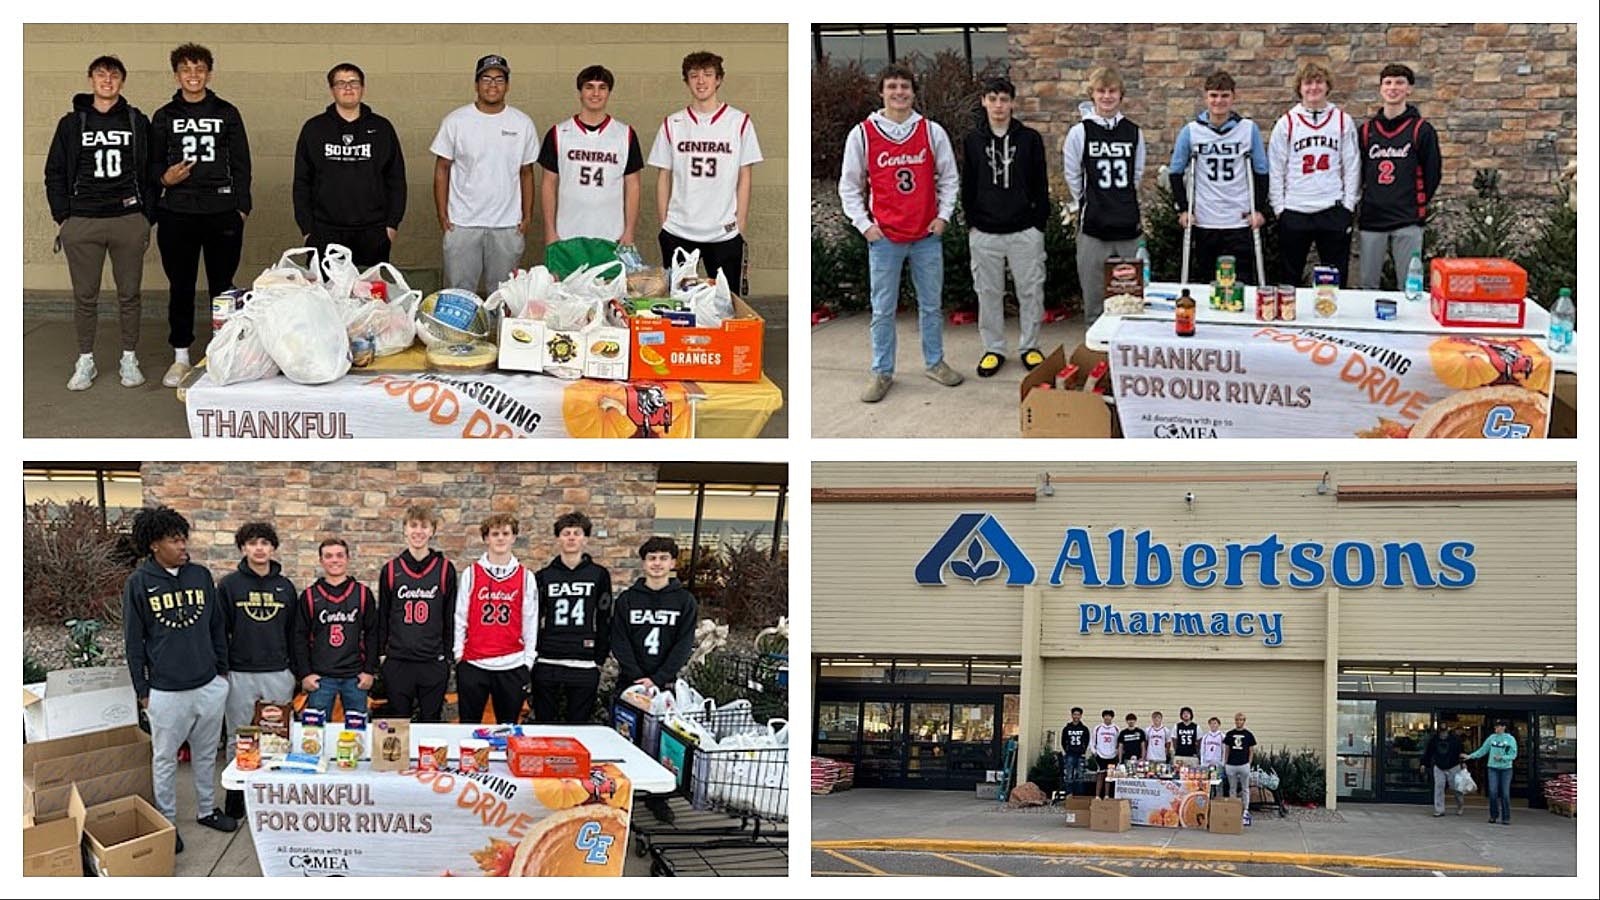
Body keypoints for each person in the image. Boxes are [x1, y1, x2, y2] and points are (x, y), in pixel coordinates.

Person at [839, 63, 963, 403]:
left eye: (904, 87)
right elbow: (848, 186)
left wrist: (944, 216)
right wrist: (864, 225)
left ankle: (935, 362)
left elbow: (949, 177)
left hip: (926, 235)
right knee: (882, 309)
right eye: (892, 86)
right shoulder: (863, 133)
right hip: (886, 239)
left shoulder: (931, 131)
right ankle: (882, 371)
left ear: (913, 92)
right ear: (881, 92)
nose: (898, 92)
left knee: (931, 305)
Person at [122, 506, 235, 853]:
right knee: (165, 758)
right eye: (175, 540)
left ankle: (206, 809)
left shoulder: (200, 575)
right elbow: (133, 641)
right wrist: (143, 692)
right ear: (155, 544)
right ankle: (167, 822)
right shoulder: (139, 584)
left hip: (208, 685)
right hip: (166, 691)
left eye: (184, 538)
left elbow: (216, 625)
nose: (183, 545)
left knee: (204, 754)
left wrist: (221, 672)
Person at [44, 54, 155, 392]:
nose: (107, 80)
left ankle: (129, 356)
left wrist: (145, 216)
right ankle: (86, 359)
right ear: (91, 79)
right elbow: (55, 172)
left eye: (114, 75)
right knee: (85, 296)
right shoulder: (72, 123)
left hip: (126, 218)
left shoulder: (137, 121)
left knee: (129, 294)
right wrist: (64, 216)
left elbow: (151, 169)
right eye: (101, 74)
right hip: (83, 220)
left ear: (122, 81)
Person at [149, 43, 251, 388]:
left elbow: (241, 163)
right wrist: (164, 178)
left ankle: (222, 353)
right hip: (177, 211)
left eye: (199, 69)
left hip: (221, 210)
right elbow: (152, 162)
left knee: (223, 288)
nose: (193, 75)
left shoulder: (226, 112)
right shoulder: (164, 115)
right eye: (186, 69)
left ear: (209, 72)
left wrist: (241, 208)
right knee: (181, 285)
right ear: (176, 74)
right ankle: (181, 355)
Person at [648, 51, 763, 288]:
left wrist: (740, 223)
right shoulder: (673, 123)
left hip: (723, 231)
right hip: (679, 229)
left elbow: (745, 175)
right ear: (687, 81)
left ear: (718, 79)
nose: (701, 81)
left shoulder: (739, 122)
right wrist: (664, 223)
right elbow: (663, 176)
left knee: (726, 304)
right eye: (694, 76)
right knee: (679, 304)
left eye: (708, 75)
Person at [962, 76, 1050, 378]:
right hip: (985, 232)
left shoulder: (1030, 139)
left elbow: (1041, 184)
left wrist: (1038, 223)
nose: (998, 105)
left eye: (1004, 99)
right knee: (988, 293)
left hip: (1025, 231)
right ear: (984, 101)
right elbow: (968, 185)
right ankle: (994, 348)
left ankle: (1030, 346)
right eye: (992, 98)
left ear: (1012, 102)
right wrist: (972, 223)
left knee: (1030, 291)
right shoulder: (972, 141)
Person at [431, 54, 539, 296]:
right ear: (476, 84)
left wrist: (527, 215)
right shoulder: (456, 121)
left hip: (507, 224)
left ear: (507, 85)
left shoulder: (522, 123)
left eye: (499, 79)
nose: (493, 85)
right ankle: (461, 335)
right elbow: (442, 169)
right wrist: (442, 214)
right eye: (486, 79)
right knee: (459, 294)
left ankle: (500, 334)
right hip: (463, 222)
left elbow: (527, 172)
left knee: (502, 296)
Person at [612, 536, 698, 821]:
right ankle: (624, 795)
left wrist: (659, 678)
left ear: (673, 563)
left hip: (665, 687)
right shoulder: (627, 599)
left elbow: (683, 644)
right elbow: (619, 640)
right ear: (644, 563)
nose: (657, 563)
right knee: (627, 739)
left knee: (661, 743)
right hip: (631, 684)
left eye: (663, 558)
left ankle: (658, 799)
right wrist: (637, 676)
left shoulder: (684, 601)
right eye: (652, 558)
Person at [216, 521, 296, 820]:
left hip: (278, 671)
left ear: (272, 547)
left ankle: (274, 800)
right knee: (240, 736)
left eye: (264, 543)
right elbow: (220, 631)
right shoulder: (229, 585)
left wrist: (294, 671)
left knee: (277, 738)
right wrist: (223, 669)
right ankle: (236, 800)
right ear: (243, 548)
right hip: (240, 671)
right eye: (252, 543)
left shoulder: (285, 587)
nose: (259, 548)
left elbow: (293, 633)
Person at [292, 63, 405, 268]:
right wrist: (308, 230)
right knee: (326, 294)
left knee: (369, 295)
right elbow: (302, 182)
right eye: (341, 83)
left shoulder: (381, 128)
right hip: (325, 231)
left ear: (363, 87)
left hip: (373, 232)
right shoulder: (314, 128)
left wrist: (390, 226)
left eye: (354, 82)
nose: (348, 87)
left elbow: (396, 180)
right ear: (332, 89)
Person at [1169, 70, 1269, 284]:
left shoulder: (1248, 129)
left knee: (1241, 281)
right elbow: (1176, 172)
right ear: (1205, 97)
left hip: (1239, 219)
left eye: (1224, 96)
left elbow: (1261, 172)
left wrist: (1259, 209)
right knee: (1207, 281)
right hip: (1205, 219)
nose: (1219, 101)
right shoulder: (1191, 131)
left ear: (1234, 97)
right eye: (1214, 95)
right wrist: (1184, 209)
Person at [1063, 66, 1146, 321]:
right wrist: (1088, 203)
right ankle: (1096, 355)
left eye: (1112, 91)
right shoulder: (1080, 132)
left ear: (1121, 95)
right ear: (1092, 95)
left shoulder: (1133, 131)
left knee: (1130, 302)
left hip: (1127, 226)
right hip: (1093, 227)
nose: (1107, 96)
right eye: (1101, 91)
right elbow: (1072, 174)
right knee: (1094, 303)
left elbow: (1137, 174)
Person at [1269, 62, 1360, 286]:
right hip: (1295, 210)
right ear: (1299, 88)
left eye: (1319, 82)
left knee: (1335, 279)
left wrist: (1348, 205)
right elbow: (1276, 167)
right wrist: (1279, 208)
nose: (1313, 88)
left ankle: (1333, 320)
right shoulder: (1287, 122)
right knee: (1289, 277)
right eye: (1308, 82)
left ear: (1328, 86)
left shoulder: (1342, 121)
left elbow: (1352, 165)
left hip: (1331, 208)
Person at [1355, 63, 1442, 290]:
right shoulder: (1366, 131)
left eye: (1400, 82)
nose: (1393, 88)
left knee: (1410, 287)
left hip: (1407, 218)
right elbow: (1357, 173)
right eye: (1388, 82)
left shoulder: (1422, 130)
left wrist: (1413, 202)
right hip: (1373, 218)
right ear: (1381, 88)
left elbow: (1433, 174)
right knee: (1367, 286)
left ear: (1409, 89)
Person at [539, 65, 643, 246]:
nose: (596, 93)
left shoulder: (625, 134)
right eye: (589, 87)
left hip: (611, 234)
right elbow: (548, 184)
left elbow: (633, 185)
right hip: (567, 233)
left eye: (602, 87)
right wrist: (550, 230)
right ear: (580, 92)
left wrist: (629, 231)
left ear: (609, 92)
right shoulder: (558, 133)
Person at [454, 513, 538, 724]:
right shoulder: (471, 573)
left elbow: (530, 620)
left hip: (512, 663)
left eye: (505, 533)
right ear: (486, 539)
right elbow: (460, 616)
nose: (500, 538)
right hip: (474, 662)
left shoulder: (525, 576)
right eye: (495, 534)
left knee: (507, 730)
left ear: (513, 537)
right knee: (467, 727)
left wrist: (528, 660)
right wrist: (458, 654)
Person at [376, 505, 458, 722]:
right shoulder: (392, 570)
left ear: (432, 531)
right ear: (404, 529)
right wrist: (382, 653)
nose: (418, 531)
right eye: (413, 526)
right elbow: (383, 615)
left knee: (431, 721)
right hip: (398, 660)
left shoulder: (444, 569)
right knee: (397, 724)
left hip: (432, 660)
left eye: (424, 526)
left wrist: (448, 656)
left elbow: (450, 616)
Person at [532, 512, 614, 724]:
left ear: (585, 538)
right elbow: (533, 618)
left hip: (584, 660)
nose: (571, 537)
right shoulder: (543, 576)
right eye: (566, 533)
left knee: (578, 725)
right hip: (548, 658)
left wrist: (600, 657)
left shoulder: (599, 574)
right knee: (544, 724)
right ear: (558, 538)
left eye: (576, 533)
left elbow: (605, 617)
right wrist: (534, 651)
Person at [292, 538, 380, 717]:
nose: (335, 560)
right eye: (329, 556)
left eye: (340, 555)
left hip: (355, 677)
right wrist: (305, 674)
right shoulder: (310, 595)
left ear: (348, 558)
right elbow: (299, 637)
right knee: (315, 735)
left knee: (357, 734)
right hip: (321, 678)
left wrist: (369, 671)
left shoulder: (362, 594)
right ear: (321, 560)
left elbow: (373, 634)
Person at [1463, 719, 1519, 825]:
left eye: (1498, 727)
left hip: (1506, 769)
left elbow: (1513, 755)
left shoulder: (1510, 739)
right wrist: (1470, 756)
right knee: (1493, 792)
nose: (1495, 729)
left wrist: (1502, 757)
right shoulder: (1492, 738)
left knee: (1505, 793)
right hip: (1492, 768)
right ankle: (1493, 815)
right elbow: (1483, 750)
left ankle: (1506, 817)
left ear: (1503, 727)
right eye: (1495, 727)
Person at [1420, 721, 1466, 816]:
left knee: (1456, 788)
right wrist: (1424, 764)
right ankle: (1439, 809)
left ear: (1447, 731)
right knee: (1439, 788)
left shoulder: (1455, 740)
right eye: (1441, 731)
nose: (1443, 734)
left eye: (1444, 731)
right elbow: (1428, 753)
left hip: (1454, 766)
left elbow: (1461, 752)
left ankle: (1460, 805)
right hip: (1439, 766)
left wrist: (1463, 762)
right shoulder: (1434, 740)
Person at [1224, 712, 1257, 811]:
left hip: (1244, 764)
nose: (1239, 722)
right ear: (1235, 721)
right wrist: (1225, 763)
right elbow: (1227, 749)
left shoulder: (1249, 735)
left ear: (1244, 721)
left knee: (1245, 789)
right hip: (1231, 765)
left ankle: (1246, 809)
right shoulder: (1230, 734)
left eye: (1241, 720)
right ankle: (1233, 808)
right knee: (1232, 788)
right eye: (1237, 720)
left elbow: (1251, 750)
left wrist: (1249, 763)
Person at [1060, 707, 1091, 796]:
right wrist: (1067, 750)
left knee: (1080, 776)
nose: (1076, 716)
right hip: (1070, 754)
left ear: (1081, 716)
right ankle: (1069, 794)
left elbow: (1087, 741)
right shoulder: (1067, 728)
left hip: (1080, 754)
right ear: (1072, 715)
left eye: (1078, 714)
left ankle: (1079, 796)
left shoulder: (1084, 729)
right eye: (1074, 714)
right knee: (1069, 775)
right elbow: (1063, 741)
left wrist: (1083, 750)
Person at [1092, 709, 1120, 799]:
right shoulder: (1097, 728)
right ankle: (1097, 796)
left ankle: (1107, 795)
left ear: (1112, 717)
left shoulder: (1116, 728)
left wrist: (1117, 753)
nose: (1107, 717)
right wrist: (1095, 752)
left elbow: (1119, 742)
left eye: (1109, 716)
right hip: (1100, 755)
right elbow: (1092, 742)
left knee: (1109, 777)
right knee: (1100, 776)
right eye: (1106, 716)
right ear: (1103, 717)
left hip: (1112, 756)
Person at [1200, 715, 1227, 796]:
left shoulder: (1222, 736)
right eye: (1211, 723)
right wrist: (1203, 762)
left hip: (1218, 763)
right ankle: (1209, 800)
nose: (1213, 725)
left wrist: (1222, 762)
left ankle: (1219, 801)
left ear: (1219, 725)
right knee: (1208, 784)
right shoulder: (1206, 737)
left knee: (1219, 784)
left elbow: (1225, 750)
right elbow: (1202, 750)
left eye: (1215, 723)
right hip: (1207, 763)